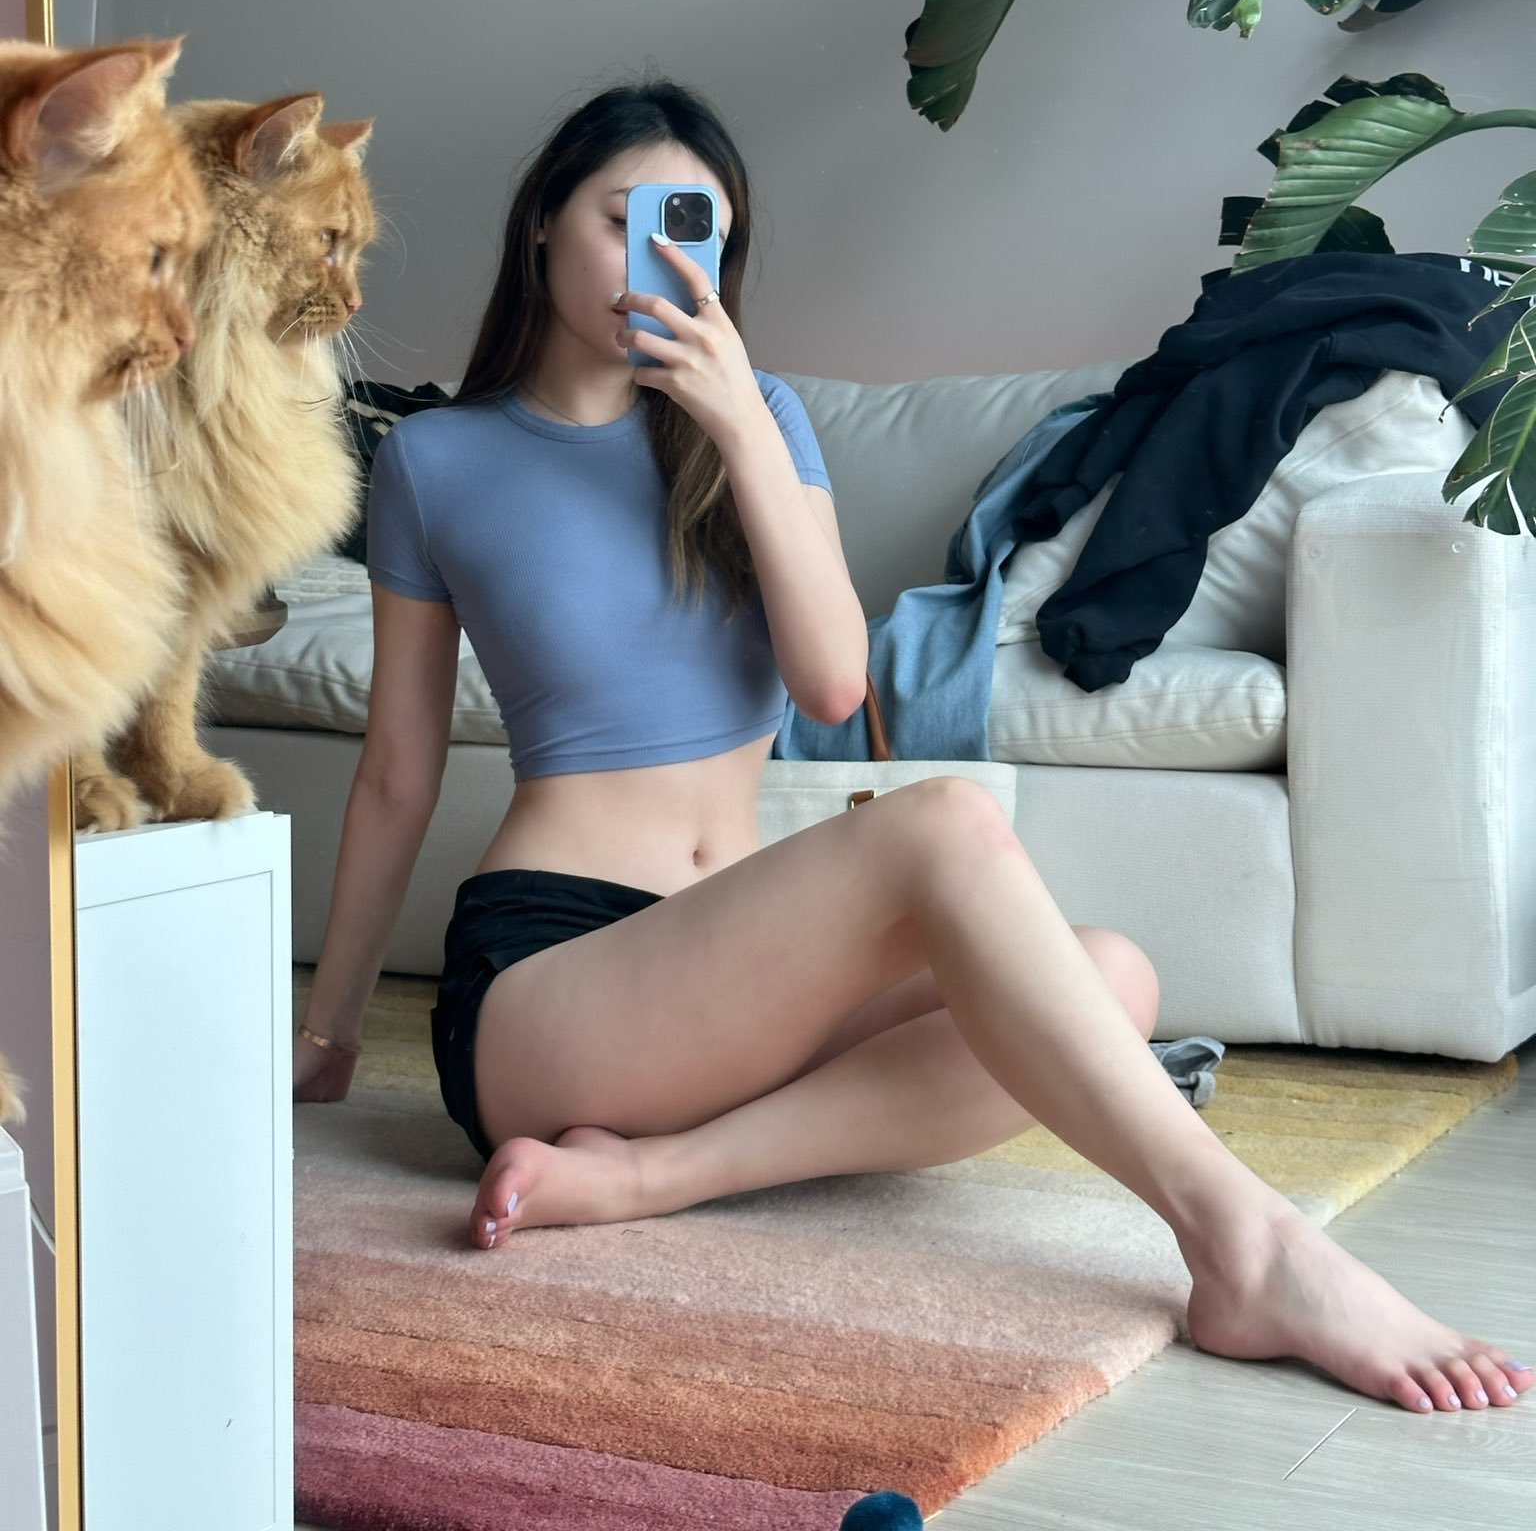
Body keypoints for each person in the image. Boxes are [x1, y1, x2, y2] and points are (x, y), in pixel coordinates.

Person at [295, 78, 1530, 1419]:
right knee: (944, 826)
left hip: (736, 990)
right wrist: (329, 1028)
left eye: (694, 232)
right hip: (549, 988)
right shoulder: (438, 460)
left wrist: (738, 425)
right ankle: (1251, 1243)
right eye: (623, 219)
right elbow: (399, 770)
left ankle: (653, 1172)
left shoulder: (759, 420)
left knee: (1112, 980)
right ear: (544, 221)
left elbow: (832, 677)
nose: (656, 261)